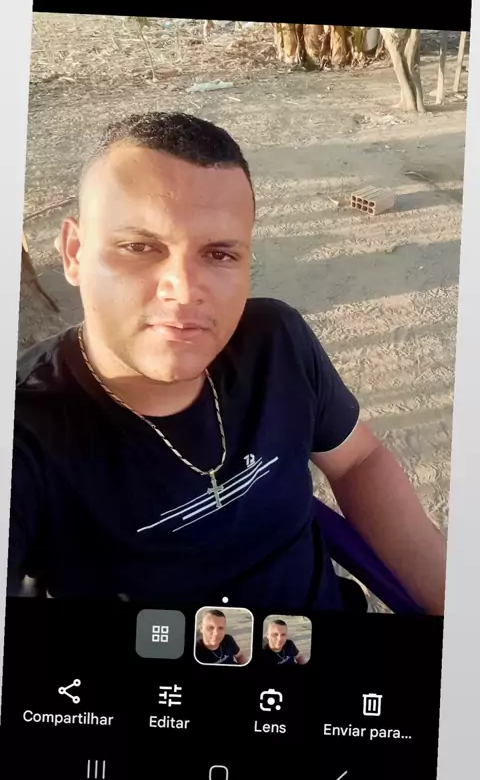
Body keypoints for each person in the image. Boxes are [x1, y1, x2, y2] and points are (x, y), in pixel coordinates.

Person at [10, 111, 447, 614]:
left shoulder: (276, 343)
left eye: (219, 255)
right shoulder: (26, 429)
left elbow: (357, 460)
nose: (184, 290)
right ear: (74, 253)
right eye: (139, 246)